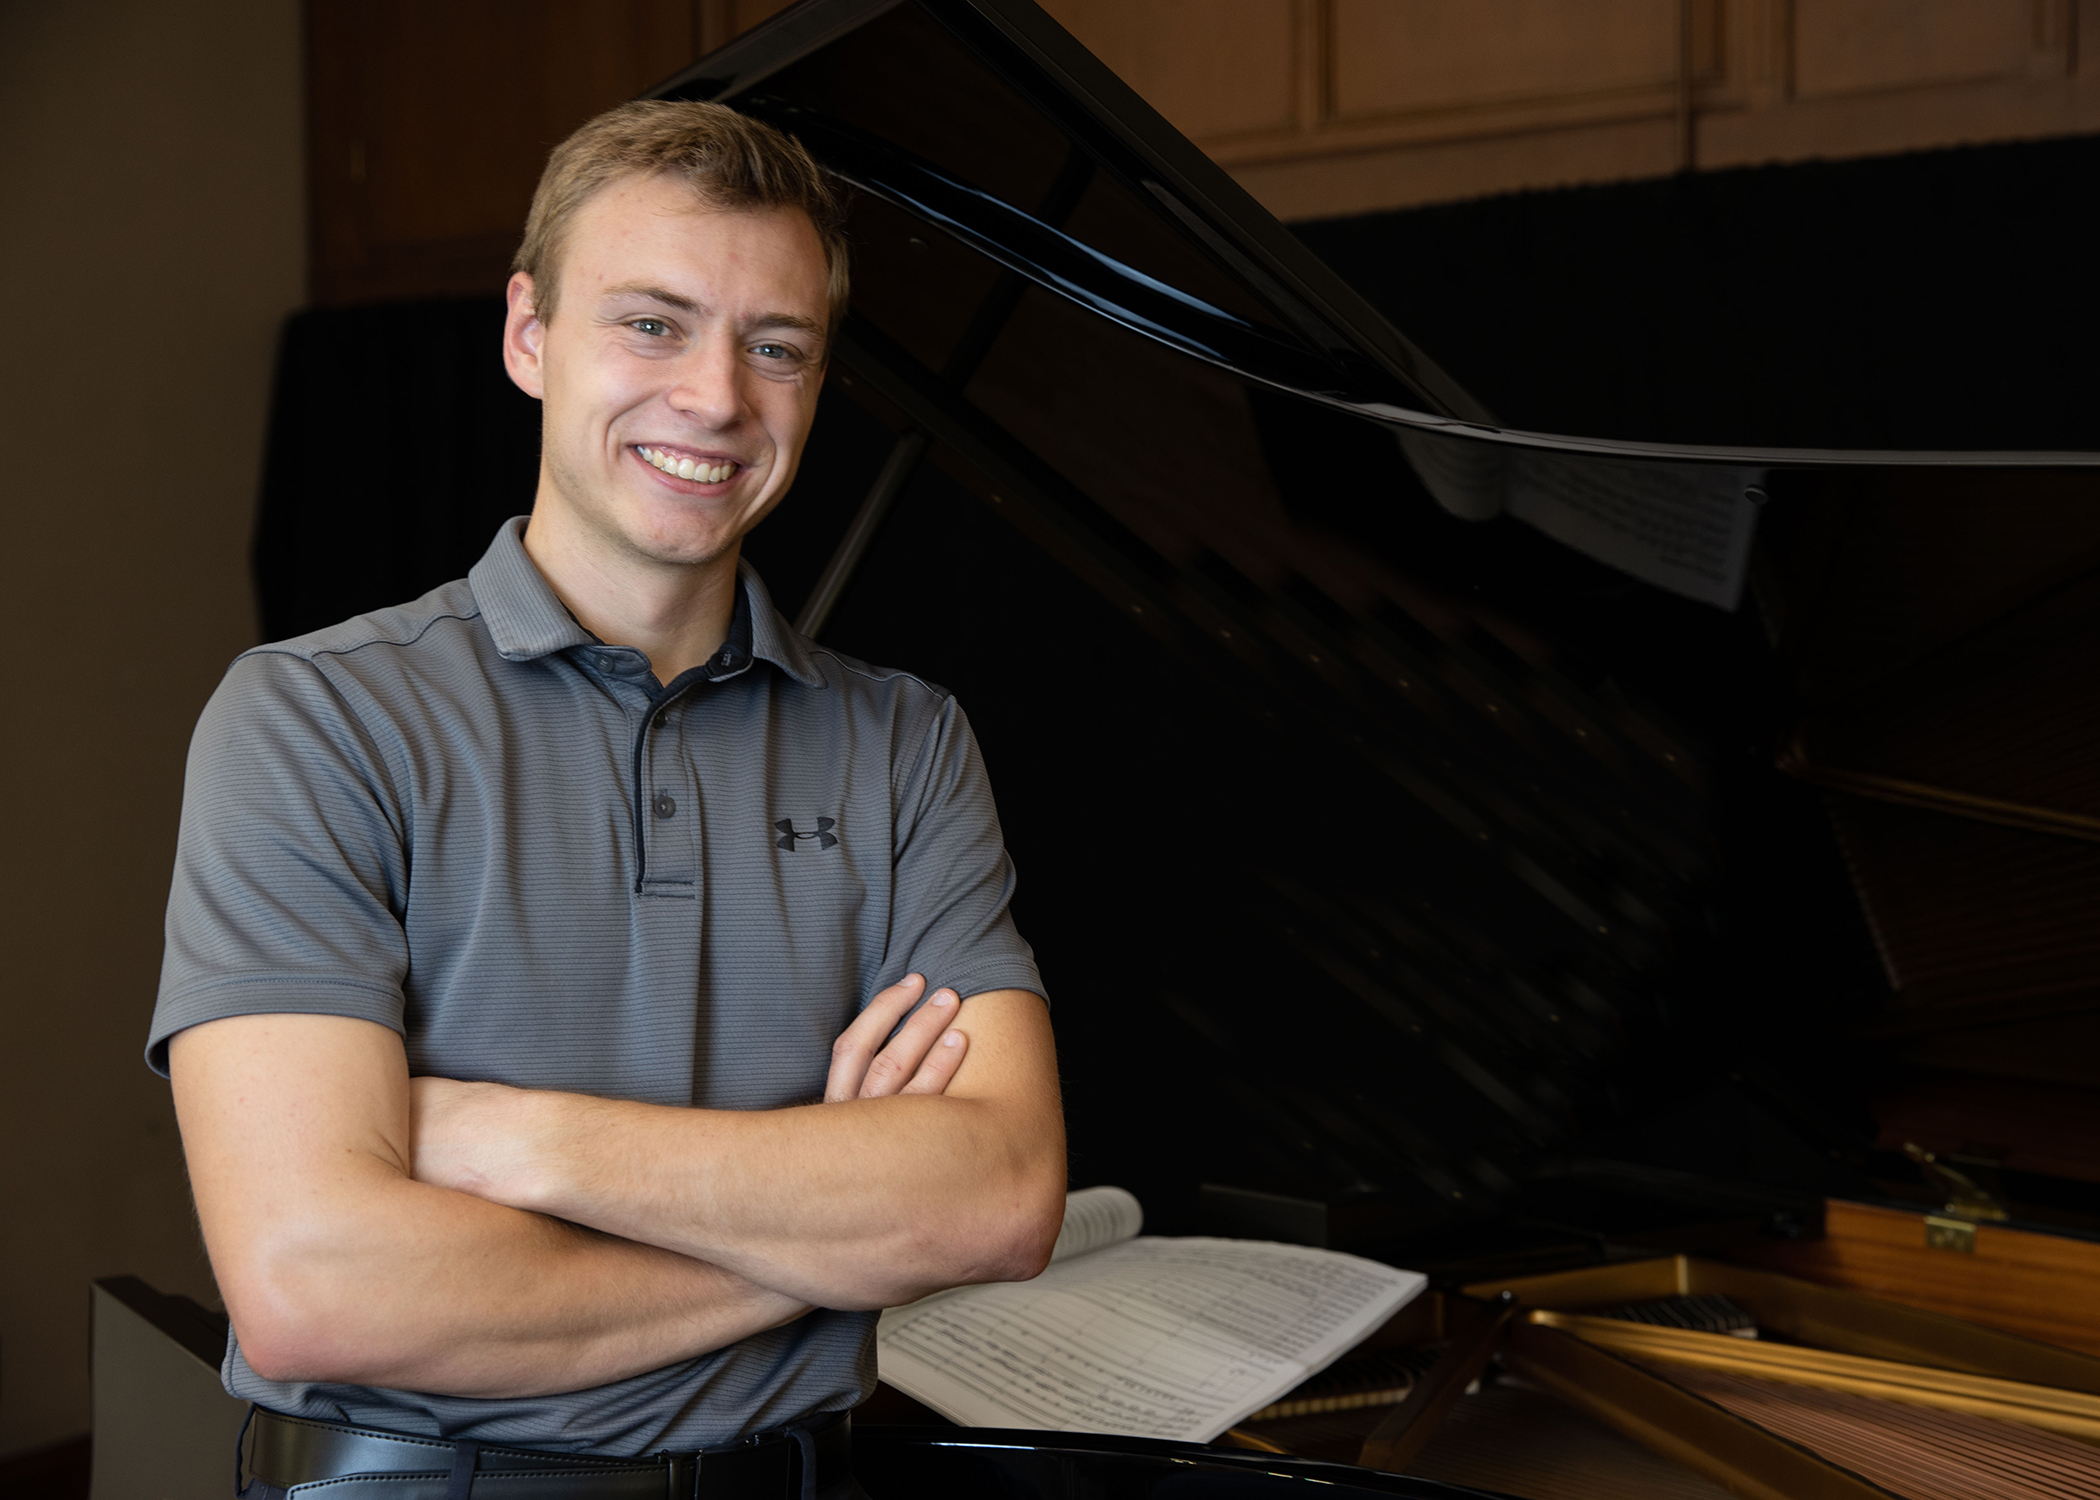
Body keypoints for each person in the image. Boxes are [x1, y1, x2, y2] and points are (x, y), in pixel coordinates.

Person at [148, 100, 1066, 1498]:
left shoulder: (906, 747)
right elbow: (316, 1290)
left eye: (777, 347)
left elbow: (997, 1200)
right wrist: (827, 1235)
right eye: (652, 323)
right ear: (529, 334)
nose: (714, 396)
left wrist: (509, 1137)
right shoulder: (312, 720)